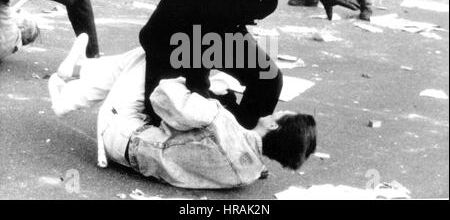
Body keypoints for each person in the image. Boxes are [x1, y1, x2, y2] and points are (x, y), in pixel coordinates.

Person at [139, 0, 359, 129]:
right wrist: (201, 95)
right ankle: (223, 117)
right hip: (172, 40)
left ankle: (247, 137)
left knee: (269, 79)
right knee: (172, 114)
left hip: (222, 27)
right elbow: (199, 43)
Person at [47, 34, 317, 189]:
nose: (274, 112)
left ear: (273, 126)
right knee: (136, 65)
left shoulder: (218, 119)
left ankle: (71, 91)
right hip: (137, 157)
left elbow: (162, 94)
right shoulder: (248, 174)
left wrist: (204, 82)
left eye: (280, 114)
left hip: (120, 131)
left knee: (151, 50)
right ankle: (77, 71)